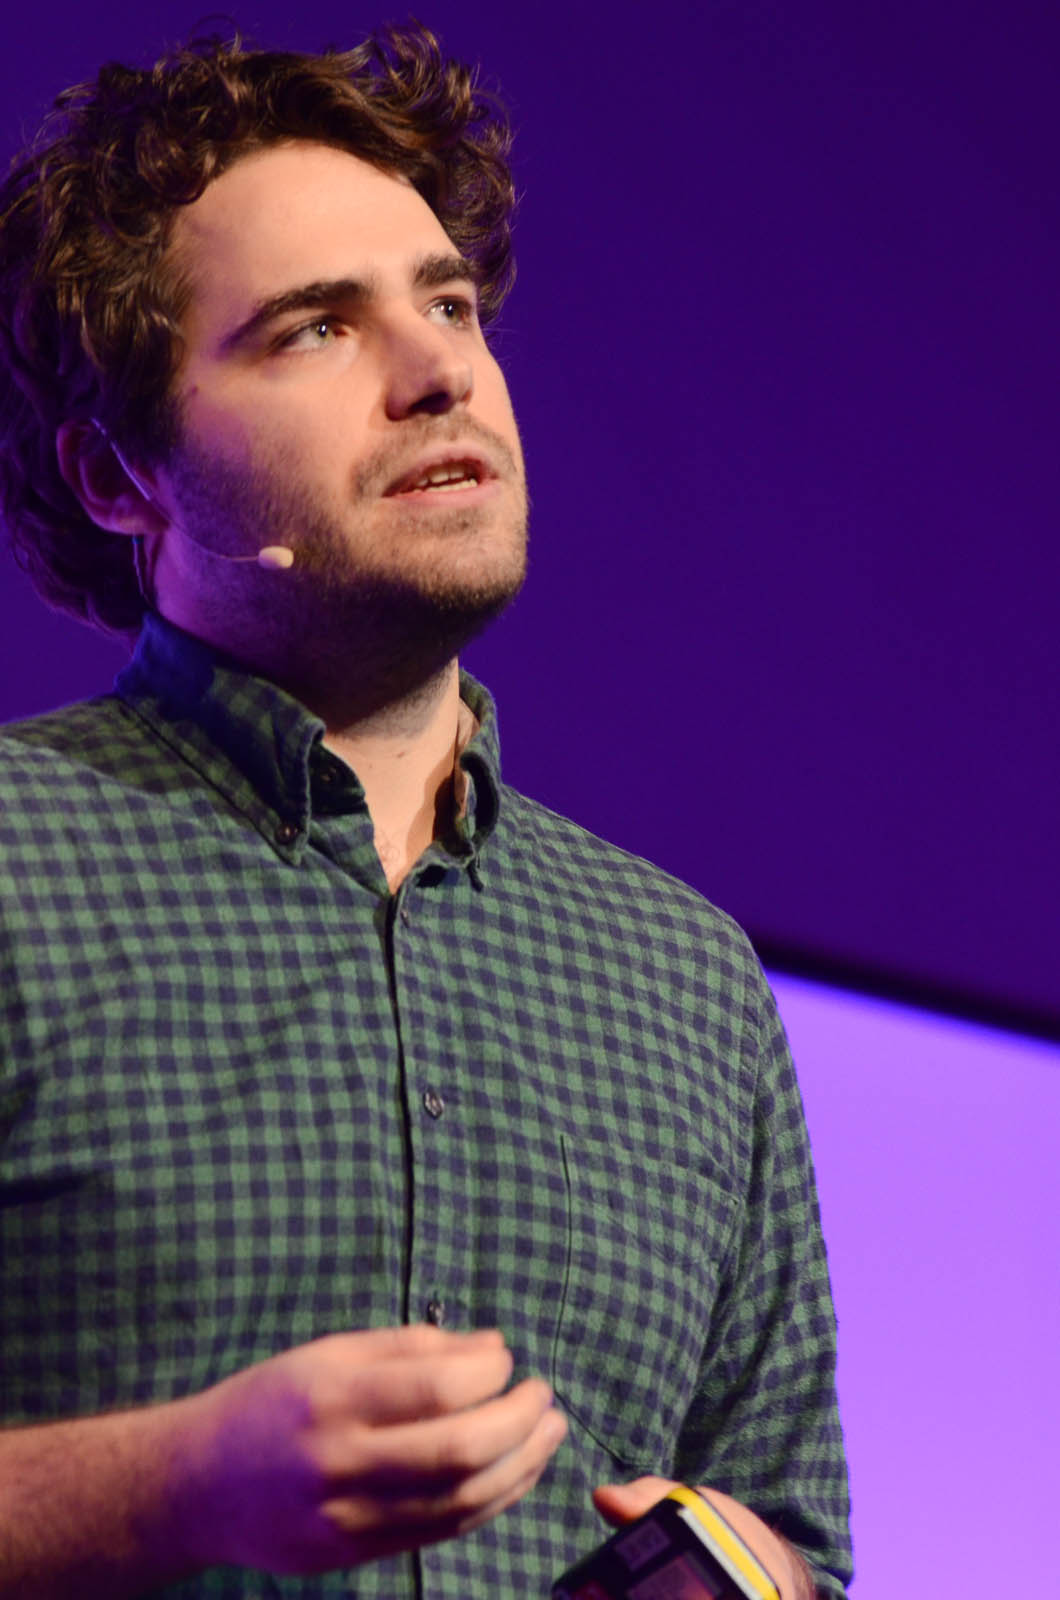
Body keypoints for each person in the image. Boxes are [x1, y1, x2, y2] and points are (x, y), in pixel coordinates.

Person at [0, 27, 852, 1600]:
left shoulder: (689, 983)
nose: (440, 369)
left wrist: (757, 1582)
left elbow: (791, 1544)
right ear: (119, 474)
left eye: (449, 303)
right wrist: (172, 1489)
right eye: (316, 330)